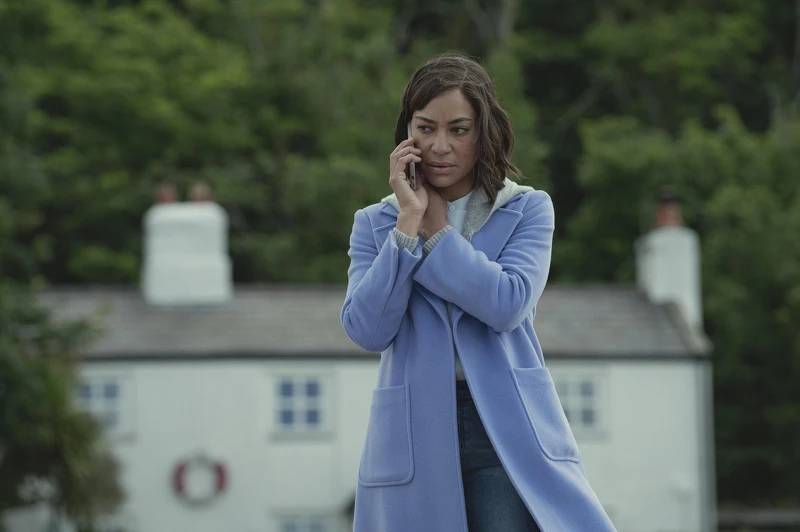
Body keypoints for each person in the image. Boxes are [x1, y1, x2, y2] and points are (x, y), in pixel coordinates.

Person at [341, 54, 616, 532]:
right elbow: (367, 329)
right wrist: (408, 224)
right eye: (425, 128)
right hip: (415, 429)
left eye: (459, 130)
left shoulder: (527, 209)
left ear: (483, 133)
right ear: (407, 133)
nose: (439, 146)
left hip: (504, 427)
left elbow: (507, 304)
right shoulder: (376, 222)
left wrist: (436, 230)